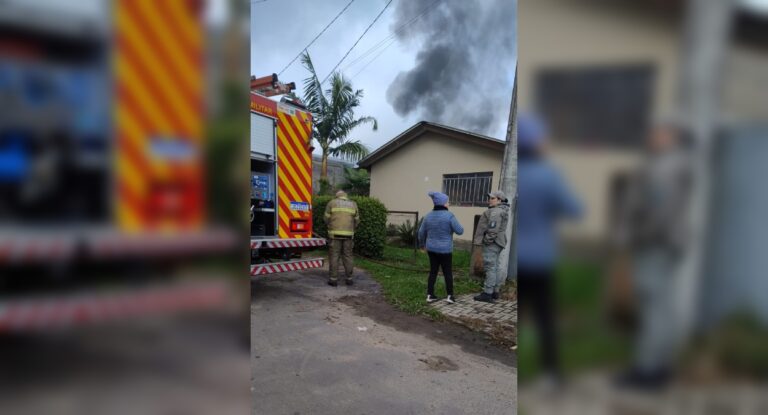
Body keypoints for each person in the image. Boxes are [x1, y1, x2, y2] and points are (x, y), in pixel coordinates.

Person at [614, 122, 692, 390]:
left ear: (669, 137)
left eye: (657, 134)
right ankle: (659, 367)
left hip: (655, 245)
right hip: (664, 244)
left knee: (653, 308)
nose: (651, 138)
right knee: (661, 307)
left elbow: (659, 212)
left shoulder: (666, 168)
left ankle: (649, 372)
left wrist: (638, 238)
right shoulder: (673, 165)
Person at [516, 113, 583, 385]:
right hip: (542, 258)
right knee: (545, 316)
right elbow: (575, 210)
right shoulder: (549, 175)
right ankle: (550, 373)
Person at [418, 191, 464, 304]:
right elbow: (460, 231)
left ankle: (430, 295)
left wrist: (422, 245)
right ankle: (450, 296)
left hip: (431, 249)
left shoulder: (428, 216)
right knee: (447, 272)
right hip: (445, 250)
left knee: (433, 271)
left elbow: (420, 233)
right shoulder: (449, 216)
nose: (449, 203)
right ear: (443, 203)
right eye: (448, 202)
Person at [473, 190, 511, 303]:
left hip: (492, 243)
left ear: (499, 200)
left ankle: (487, 293)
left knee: (490, 267)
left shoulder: (495, 211)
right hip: (498, 242)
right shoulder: (502, 210)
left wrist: (487, 241)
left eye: (493, 198)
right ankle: (495, 291)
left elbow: (493, 229)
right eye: (490, 198)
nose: (489, 200)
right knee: (495, 267)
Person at [324, 190, 360, 287]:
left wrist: (330, 226)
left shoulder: (332, 203)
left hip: (334, 235)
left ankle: (333, 280)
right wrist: (352, 229)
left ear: (337, 196)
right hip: (348, 235)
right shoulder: (353, 204)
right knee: (348, 256)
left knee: (334, 256)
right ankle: (349, 279)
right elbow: (357, 220)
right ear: (345, 196)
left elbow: (326, 218)